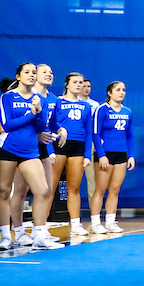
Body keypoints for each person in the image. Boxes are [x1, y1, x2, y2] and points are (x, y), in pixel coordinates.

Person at [0, 64, 60, 251]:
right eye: (27, 72)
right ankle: (6, 237)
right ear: (18, 76)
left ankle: (39, 236)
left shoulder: (40, 99)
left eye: (33, 72)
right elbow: (6, 125)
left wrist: (38, 111)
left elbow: (40, 128)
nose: (31, 75)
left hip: (30, 152)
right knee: (4, 191)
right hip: (7, 149)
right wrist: (30, 114)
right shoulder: (8, 97)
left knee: (42, 190)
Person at [89, 81, 135, 234]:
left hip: (121, 154)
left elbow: (130, 135)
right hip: (105, 153)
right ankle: (95, 223)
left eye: (123, 90)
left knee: (115, 189)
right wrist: (101, 155)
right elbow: (95, 134)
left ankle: (110, 222)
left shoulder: (128, 112)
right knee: (100, 189)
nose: (121, 92)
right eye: (118, 90)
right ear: (109, 92)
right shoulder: (101, 110)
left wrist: (131, 156)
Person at [53, 72, 94, 237]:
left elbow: (89, 132)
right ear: (66, 84)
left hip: (78, 147)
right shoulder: (57, 101)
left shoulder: (87, 106)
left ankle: (76, 225)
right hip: (59, 144)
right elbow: (51, 124)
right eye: (75, 82)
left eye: (81, 82)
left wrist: (87, 155)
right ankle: (40, 227)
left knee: (74, 188)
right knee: (50, 187)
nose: (79, 85)